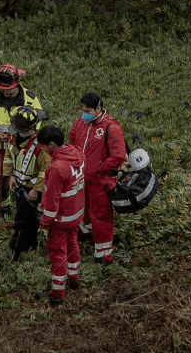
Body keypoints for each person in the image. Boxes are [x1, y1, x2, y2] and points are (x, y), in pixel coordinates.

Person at [67, 92, 126, 265]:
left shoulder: (111, 128)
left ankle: (104, 253)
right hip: (81, 178)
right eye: (82, 110)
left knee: (101, 216)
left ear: (99, 109)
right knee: (83, 208)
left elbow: (118, 156)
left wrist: (99, 170)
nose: (84, 113)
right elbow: (73, 140)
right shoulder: (80, 122)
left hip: (100, 181)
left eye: (88, 110)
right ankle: (87, 232)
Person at [0, 64, 42, 212]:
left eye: (10, 90)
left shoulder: (30, 100)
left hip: (21, 149)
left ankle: (30, 208)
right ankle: (1, 208)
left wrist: (17, 136)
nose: (6, 93)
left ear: (18, 84)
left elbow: (36, 124)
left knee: (26, 178)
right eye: (3, 90)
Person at [36, 125, 86, 306]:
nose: (41, 149)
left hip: (61, 219)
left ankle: (57, 293)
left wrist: (45, 222)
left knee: (58, 253)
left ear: (51, 144)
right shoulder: (77, 153)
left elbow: (51, 201)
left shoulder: (56, 168)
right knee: (73, 244)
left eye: (43, 146)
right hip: (76, 213)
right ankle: (74, 278)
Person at [3, 107, 49, 259]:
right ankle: (31, 244)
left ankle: (14, 251)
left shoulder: (41, 147)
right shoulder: (13, 138)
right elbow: (8, 157)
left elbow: (45, 171)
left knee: (22, 220)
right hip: (20, 186)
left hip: (32, 189)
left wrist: (37, 190)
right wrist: (11, 177)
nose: (20, 134)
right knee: (29, 218)